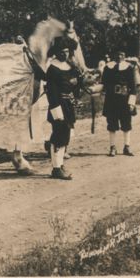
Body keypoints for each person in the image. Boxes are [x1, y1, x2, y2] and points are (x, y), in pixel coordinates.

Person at [45, 36, 85, 180]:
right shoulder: (53, 69)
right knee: (58, 135)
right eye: (61, 52)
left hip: (68, 105)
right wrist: (57, 112)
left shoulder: (70, 67)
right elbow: (52, 93)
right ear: (56, 52)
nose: (65, 54)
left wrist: (77, 96)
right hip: (58, 106)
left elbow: (76, 86)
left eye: (67, 51)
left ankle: (60, 164)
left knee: (66, 135)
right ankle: (56, 169)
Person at [101, 49, 137, 157]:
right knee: (112, 123)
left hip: (125, 99)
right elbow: (104, 83)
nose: (119, 56)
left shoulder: (129, 68)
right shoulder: (108, 67)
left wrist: (131, 102)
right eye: (117, 54)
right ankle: (112, 147)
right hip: (111, 99)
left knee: (126, 122)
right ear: (113, 55)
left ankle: (127, 146)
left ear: (125, 56)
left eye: (122, 54)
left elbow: (133, 86)